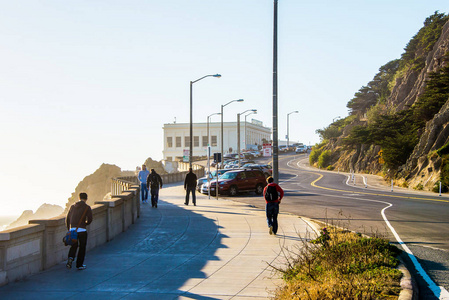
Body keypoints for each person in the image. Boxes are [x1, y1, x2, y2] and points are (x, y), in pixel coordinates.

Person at [66, 192, 93, 270]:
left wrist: (69, 229)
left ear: (79, 198)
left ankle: (70, 258)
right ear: (86, 199)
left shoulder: (72, 207)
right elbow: (90, 219)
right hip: (82, 230)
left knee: (74, 245)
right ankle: (79, 265)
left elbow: (67, 219)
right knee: (82, 247)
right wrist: (85, 224)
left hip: (73, 229)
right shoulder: (87, 207)